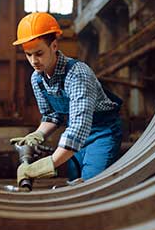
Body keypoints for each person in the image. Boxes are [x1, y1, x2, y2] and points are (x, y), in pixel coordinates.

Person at [10, 12, 123, 185]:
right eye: (28, 54)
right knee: (73, 186)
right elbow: (52, 115)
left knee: (92, 186)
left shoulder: (77, 74)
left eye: (39, 53)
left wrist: (44, 166)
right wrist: (38, 134)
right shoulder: (37, 78)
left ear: (54, 46)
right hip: (74, 136)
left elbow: (79, 126)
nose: (34, 61)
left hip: (101, 133)